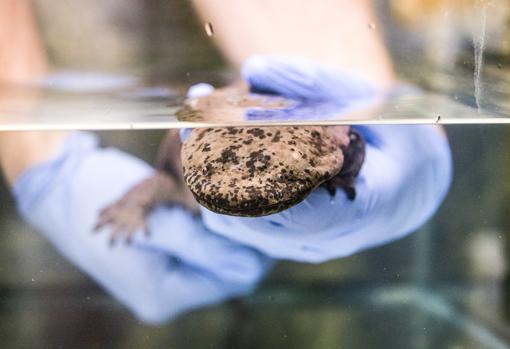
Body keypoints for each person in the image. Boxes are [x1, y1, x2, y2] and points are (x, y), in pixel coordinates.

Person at [0, 0, 452, 324]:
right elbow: (167, 181)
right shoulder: (189, 162)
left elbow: (333, 138)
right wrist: (40, 165)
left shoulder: (323, 137)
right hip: (114, 112)